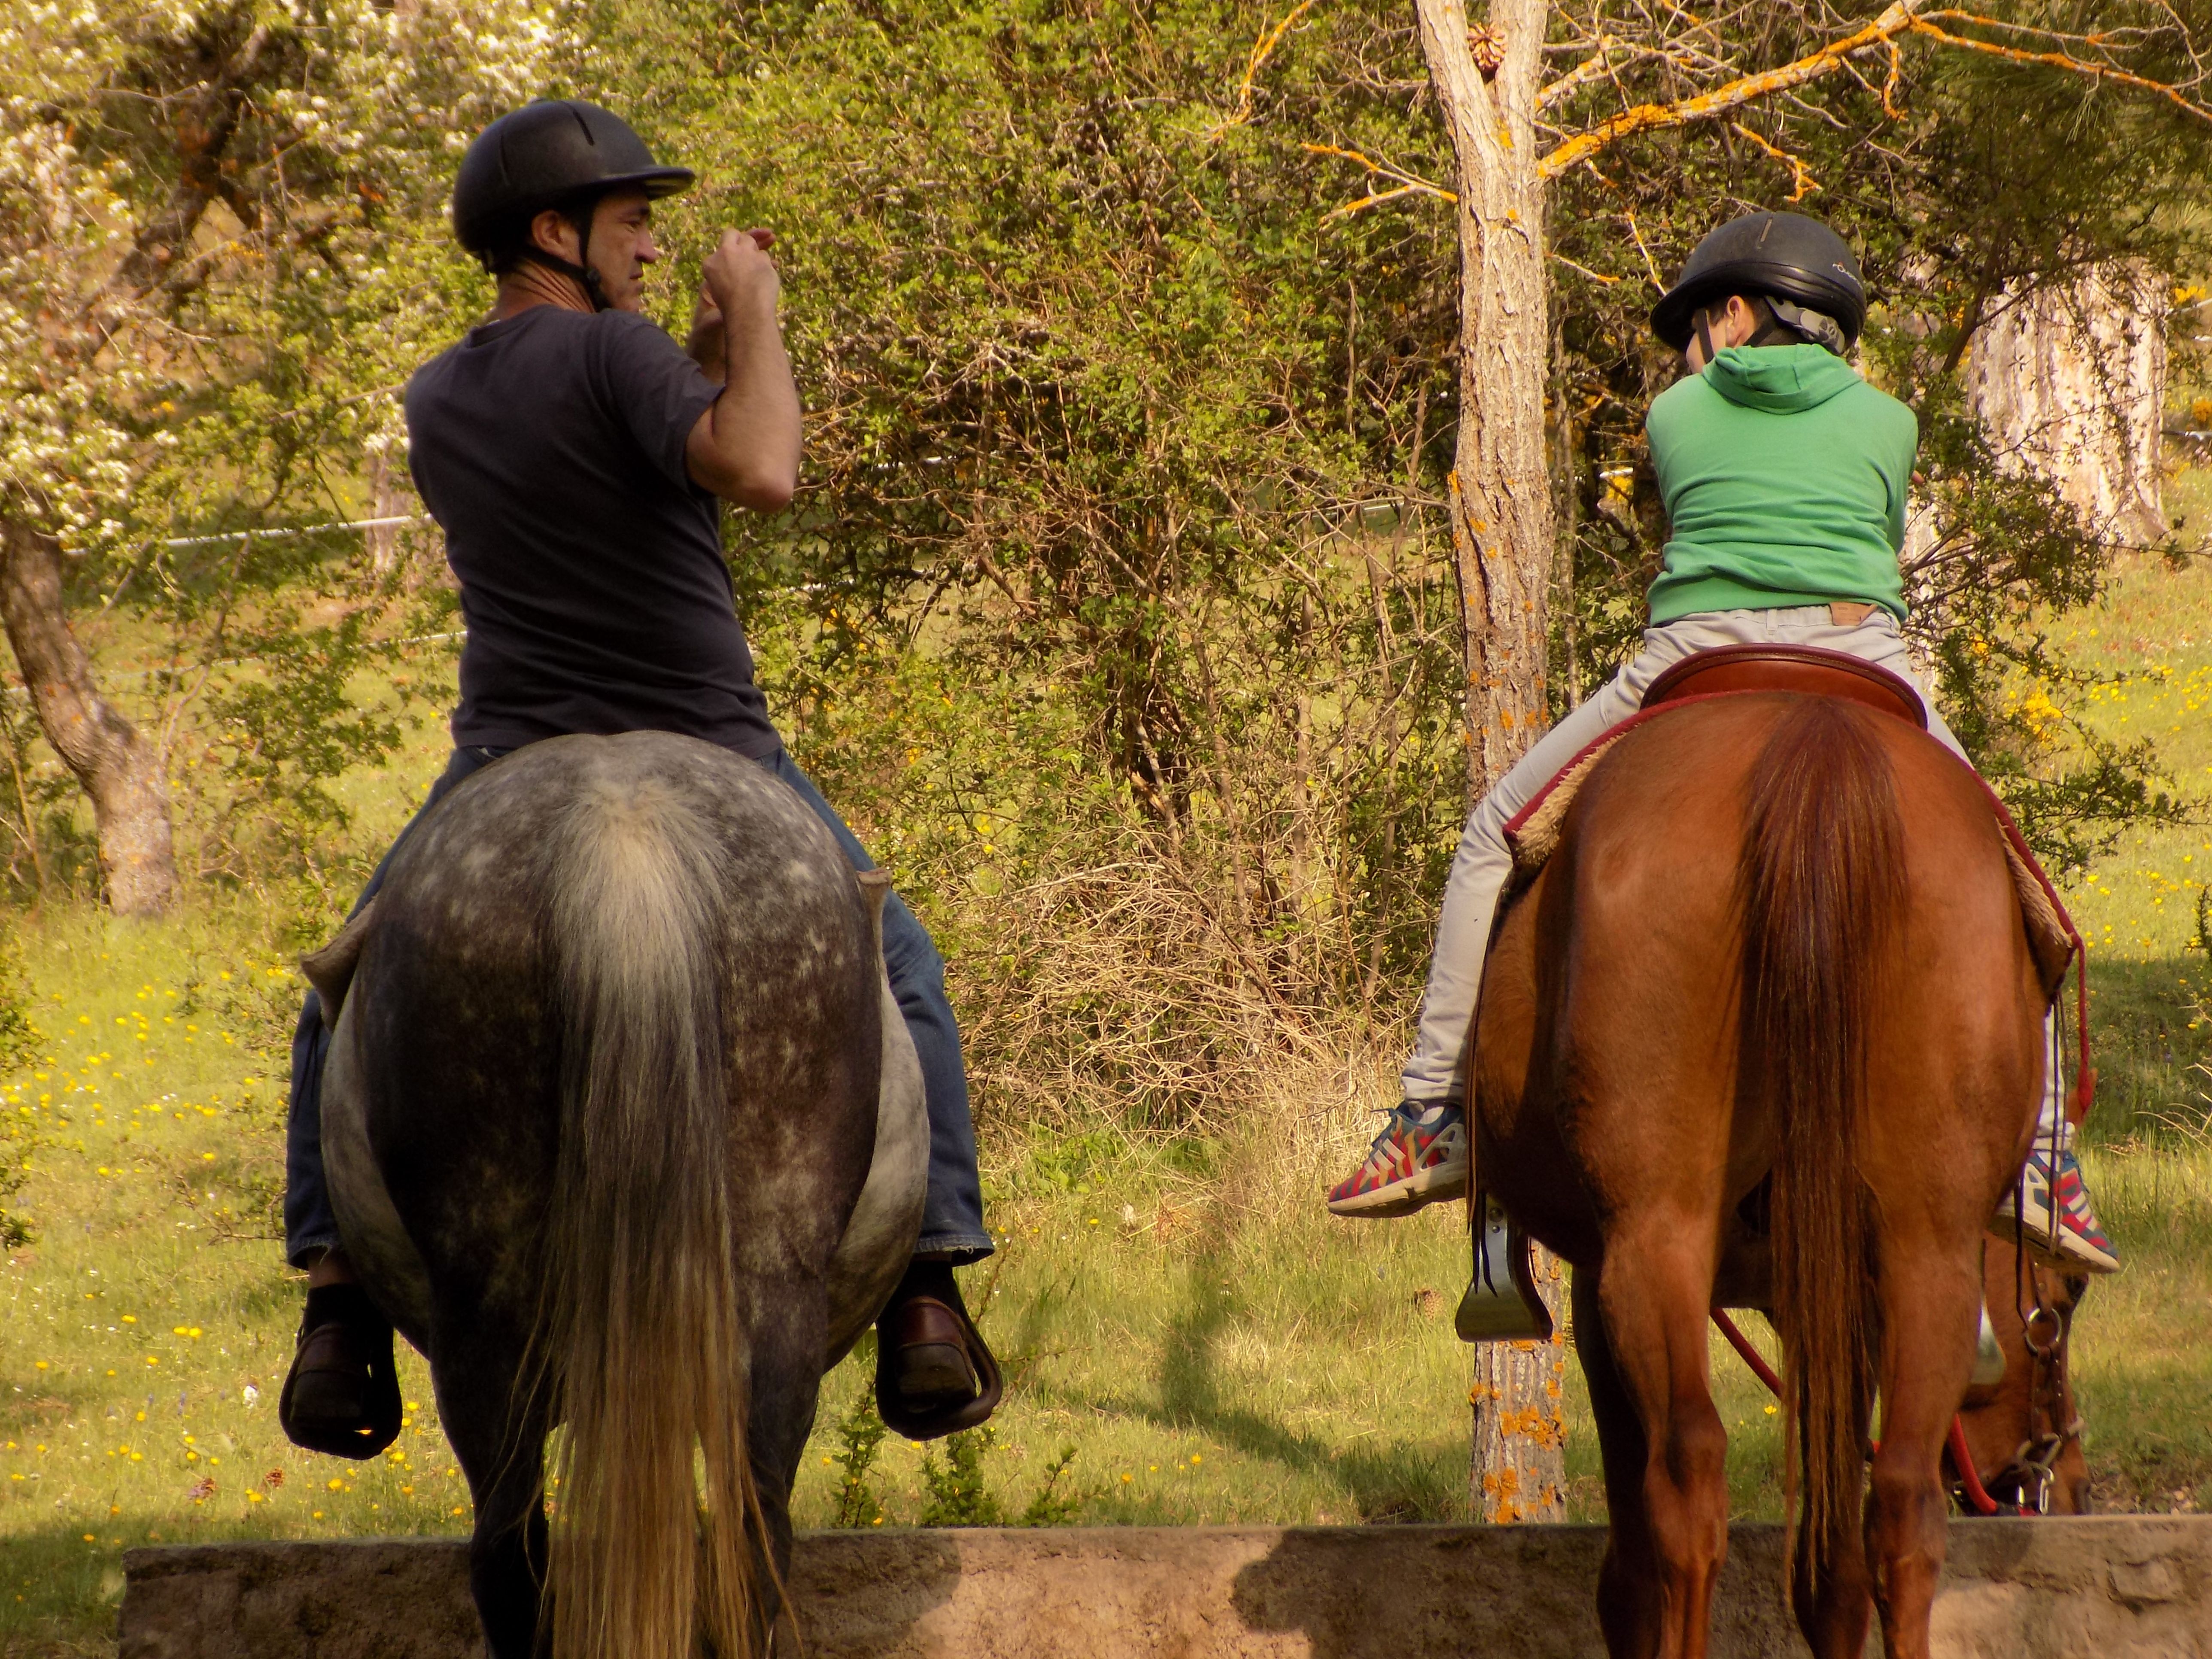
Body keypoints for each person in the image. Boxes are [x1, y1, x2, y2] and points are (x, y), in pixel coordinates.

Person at [279, 99, 1000, 1458]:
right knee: (902, 966)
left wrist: (707, 352)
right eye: (634, 223)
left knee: (343, 989)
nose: (655, 247)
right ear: (556, 233)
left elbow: (611, 449)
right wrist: (761, 314)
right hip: (707, 739)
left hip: (507, 752)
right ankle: (927, 1281)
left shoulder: (439, 393)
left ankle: (334, 1306)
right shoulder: (613, 350)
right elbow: (759, 464)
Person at [1326, 210, 2120, 1278]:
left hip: (1691, 658)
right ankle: (2038, 1162)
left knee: (1489, 837)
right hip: (1870, 664)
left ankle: (1432, 1118)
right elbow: (1869, 535)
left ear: (1738, 311)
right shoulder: (1891, 421)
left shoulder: (1675, 414)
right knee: (2017, 885)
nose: (1689, 344)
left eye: (1699, 320)